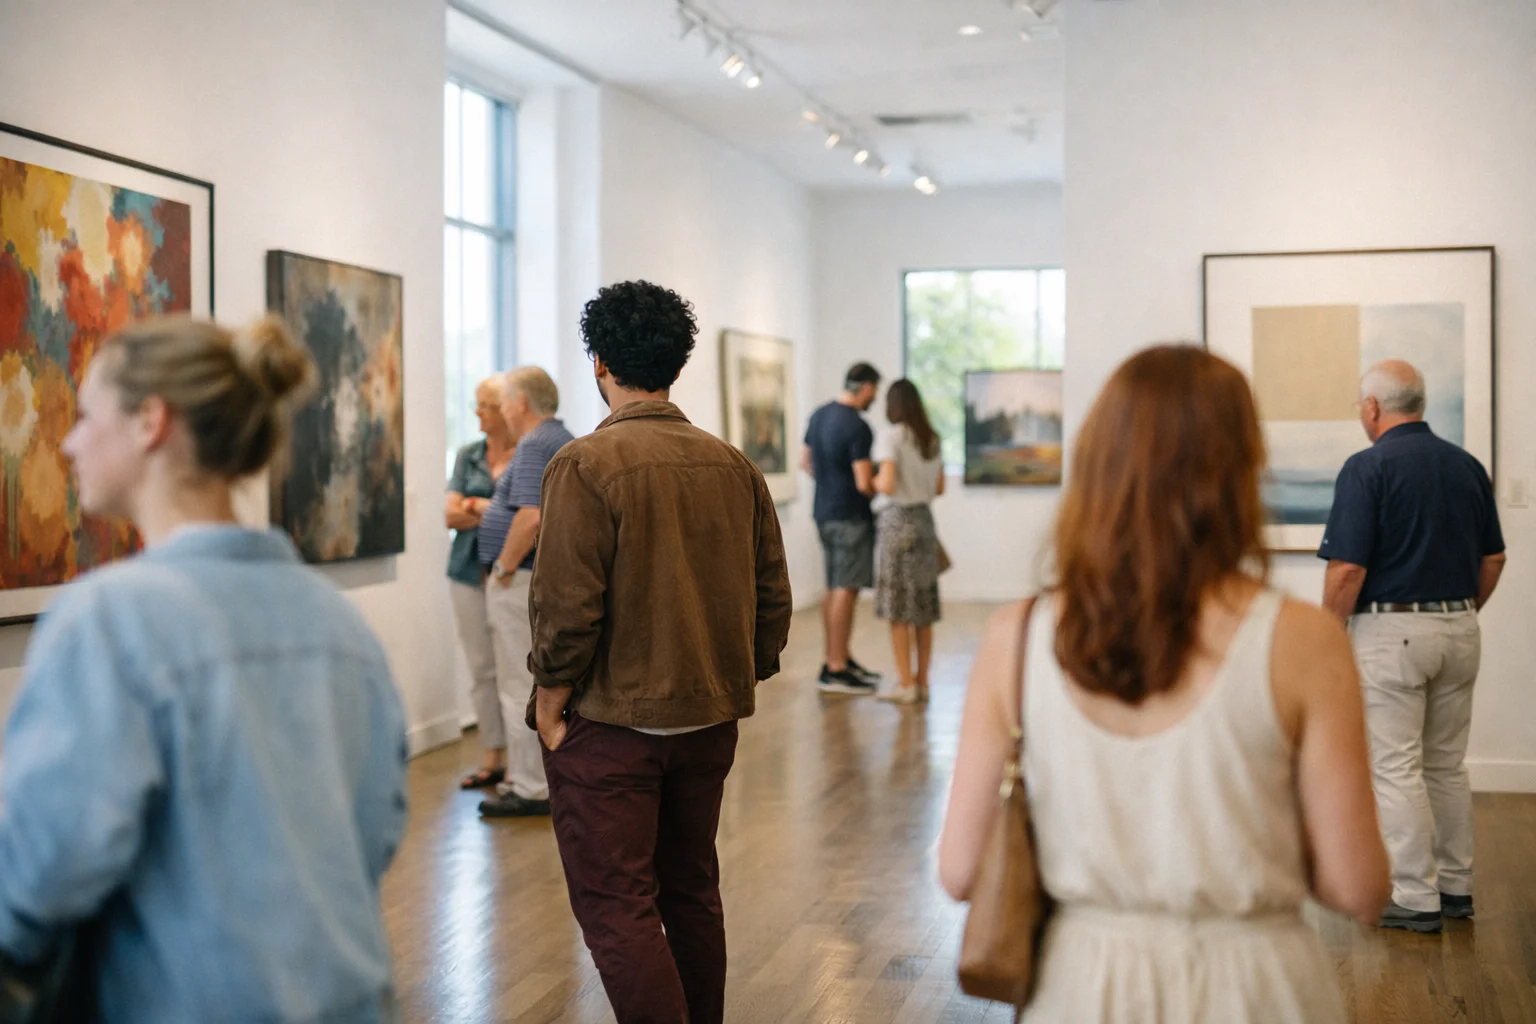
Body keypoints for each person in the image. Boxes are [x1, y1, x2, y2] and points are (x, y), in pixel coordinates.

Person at [939, 346, 1388, 1023]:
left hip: (1080, 985)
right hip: (1258, 986)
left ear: (1097, 465)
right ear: (1240, 470)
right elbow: (1357, 887)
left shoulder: (1018, 635)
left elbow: (960, 869)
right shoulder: (1302, 639)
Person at [0, 315, 407, 1022]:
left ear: (149, 422)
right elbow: (373, 831)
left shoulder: (111, 620)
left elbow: (37, 871)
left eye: (87, 415)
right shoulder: (338, 623)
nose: (67, 441)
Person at [529, 280, 792, 1023]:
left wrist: (550, 704)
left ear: (599, 363)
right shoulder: (733, 466)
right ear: (677, 363)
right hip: (707, 720)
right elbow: (772, 597)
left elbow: (566, 610)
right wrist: (734, 673)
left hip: (612, 725)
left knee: (618, 906)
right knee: (689, 891)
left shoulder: (585, 466)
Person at [1319, 359, 1506, 933]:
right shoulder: (1468, 466)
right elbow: (1493, 558)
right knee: (1446, 766)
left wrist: (1326, 637)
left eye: (1360, 405)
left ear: (1373, 408)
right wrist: (1460, 614)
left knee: (1396, 766)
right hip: (1460, 628)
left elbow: (1348, 569)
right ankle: (1455, 889)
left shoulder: (1366, 467)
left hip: (1390, 632)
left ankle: (1414, 895)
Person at [476, 365, 576, 819]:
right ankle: (534, 779)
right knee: (526, 678)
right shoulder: (556, 437)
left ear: (519, 404)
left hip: (519, 580)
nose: (500, 411)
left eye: (503, 402)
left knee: (518, 681)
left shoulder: (535, 443)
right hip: (532, 578)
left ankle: (531, 786)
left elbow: (531, 516)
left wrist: (503, 567)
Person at [445, 376, 516, 790]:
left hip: (511, 572)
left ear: (506, 408)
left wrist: (474, 506)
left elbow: (526, 514)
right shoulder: (468, 455)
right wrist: (494, 510)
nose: (477, 413)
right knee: (481, 668)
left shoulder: (526, 453)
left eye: (485, 405)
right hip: (467, 572)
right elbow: (449, 515)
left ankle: (527, 763)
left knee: (515, 667)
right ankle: (493, 757)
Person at [803, 362, 883, 695]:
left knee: (833, 586)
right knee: (845, 589)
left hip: (824, 511)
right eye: (873, 391)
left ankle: (837, 658)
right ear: (865, 387)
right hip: (851, 515)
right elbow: (865, 482)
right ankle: (836, 668)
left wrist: (830, 483)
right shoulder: (858, 426)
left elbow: (804, 462)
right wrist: (887, 482)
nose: (874, 398)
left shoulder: (819, 415)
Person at [872, 379, 946, 705]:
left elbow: (887, 483)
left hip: (897, 522)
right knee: (923, 609)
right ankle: (924, 681)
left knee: (898, 608)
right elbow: (940, 487)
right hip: (925, 522)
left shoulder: (892, 437)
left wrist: (869, 478)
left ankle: (905, 684)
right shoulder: (932, 438)